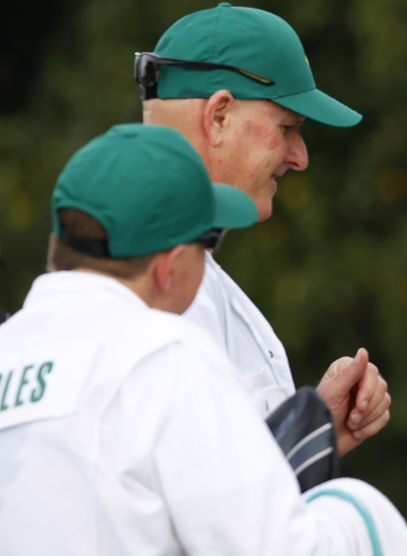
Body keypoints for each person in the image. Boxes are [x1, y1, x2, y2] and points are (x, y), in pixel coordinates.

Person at [0, 124, 353, 556]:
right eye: (204, 242)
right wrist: (350, 527)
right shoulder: (165, 356)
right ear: (170, 266)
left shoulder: (8, 357)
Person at [137, 3, 390, 450]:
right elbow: (199, 503)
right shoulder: (151, 279)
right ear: (218, 116)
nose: (301, 157)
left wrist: (314, 431)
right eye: (287, 128)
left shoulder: (186, 269)